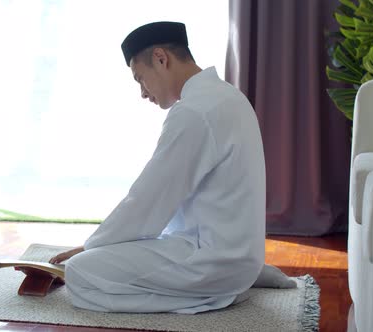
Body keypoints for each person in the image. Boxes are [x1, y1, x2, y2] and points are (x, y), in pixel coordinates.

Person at [49, 21, 294, 314]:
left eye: (140, 78)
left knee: (81, 273)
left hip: (212, 261)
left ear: (161, 59)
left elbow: (148, 200)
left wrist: (92, 248)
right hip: (237, 255)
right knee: (124, 250)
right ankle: (238, 280)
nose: (143, 92)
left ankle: (219, 295)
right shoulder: (229, 96)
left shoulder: (194, 111)